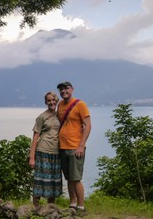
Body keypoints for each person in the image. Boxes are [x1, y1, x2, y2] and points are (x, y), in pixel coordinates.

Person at [56, 81, 91, 214]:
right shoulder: (60, 104)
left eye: (66, 88)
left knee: (76, 178)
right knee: (69, 178)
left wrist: (81, 145)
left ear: (72, 89)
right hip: (63, 147)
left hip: (75, 147)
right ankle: (72, 204)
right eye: (61, 89)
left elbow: (88, 125)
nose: (64, 91)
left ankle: (81, 207)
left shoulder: (80, 104)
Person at [28, 91, 62, 208]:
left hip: (56, 152)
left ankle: (50, 208)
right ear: (46, 102)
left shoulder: (60, 115)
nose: (51, 102)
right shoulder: (41, 117)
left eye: (53, 100)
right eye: (49, 100)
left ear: (56, 101)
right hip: (42, 150)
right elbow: (35, 137)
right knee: (39, 179)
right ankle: (36, 207)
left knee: (53, 180)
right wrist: (32, 157)